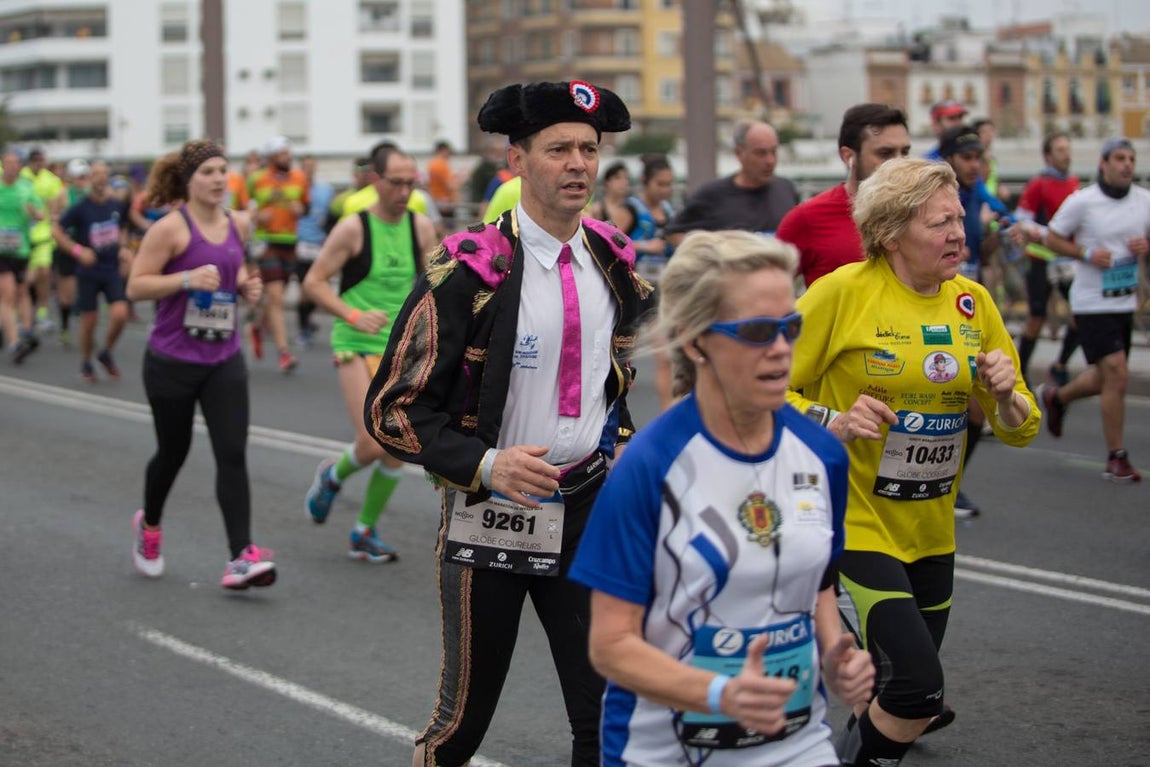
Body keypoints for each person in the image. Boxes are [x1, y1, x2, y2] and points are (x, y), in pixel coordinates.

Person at [364, 79, 650, 767]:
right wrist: (489, 465)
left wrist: (620, 446)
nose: (578, 163)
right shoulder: (470, 269)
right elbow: (392, 409)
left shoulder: (615, 262)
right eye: (558, 149)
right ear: (517, 160)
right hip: (490, 513)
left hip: (587, 510)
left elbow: (614, 378)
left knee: (608, 717)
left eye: (588, 148)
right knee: (460, 727)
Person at [568, 230, 874, 766]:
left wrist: (835, 654)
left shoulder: (822, 454)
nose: (781, 349)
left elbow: (819, 585)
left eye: (790, 327)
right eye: (756, 331)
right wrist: (719, 694)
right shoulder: (649, 468)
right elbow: (610, 646)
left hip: (797, 744)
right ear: (695, 342)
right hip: (664, 753)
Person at [786, 157, 1039, 766]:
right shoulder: (841, 294)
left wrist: (1006, 395)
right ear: (892, 232)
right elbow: (760, 392)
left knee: (897, 698)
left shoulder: (973, 303)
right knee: (918, 689)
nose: (958, 235)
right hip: (855, 522)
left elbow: (1022, 428)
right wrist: (834, 421)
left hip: (931, 528)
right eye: (939, 223)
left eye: (958, 219)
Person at [125, 139, 275, 589]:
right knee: (173, 453)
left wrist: (247, 286)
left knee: (231, 452)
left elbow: (237, 270)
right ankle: (150, 525)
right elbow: (136, 286)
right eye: (208, 171)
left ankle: (240, 556)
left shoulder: (238, 223)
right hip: (172, 360)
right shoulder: (170, 229)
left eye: (222, 170)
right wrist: (185, 278)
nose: (217, 179)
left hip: (223, 357)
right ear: (189, 179)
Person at [302, 146, 436, 561]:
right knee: (372, 441)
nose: (404, 191)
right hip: (355, 343)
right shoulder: (353, 228)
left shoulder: (420, 227)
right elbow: (314, 282)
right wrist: (353, 315)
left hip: (401, 349)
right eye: (396, 182)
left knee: (398, 444)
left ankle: (363, 531)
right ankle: (333, 474)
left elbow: (437, 286)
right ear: (375, 180)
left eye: (411, 183)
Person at [1024, 137, 1148, 483]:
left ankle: (1057, 398)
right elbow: (1052, 238)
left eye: (1131, 158)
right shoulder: (1083, 201)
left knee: (1106, 377)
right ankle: (1117, 457)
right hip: (1092, 302)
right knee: (1117, 372)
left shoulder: (1144, 200)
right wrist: (1086, 254)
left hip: (1124, 301)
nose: (1127, 164)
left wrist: (1146, 245)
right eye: (1119, 158)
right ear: (1103, 164)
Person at [938, 124, 1015, 518]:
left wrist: (1006, 229)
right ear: (948, 159)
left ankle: (949, 486)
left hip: (966, 307)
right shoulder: (934, 193)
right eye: (966, 158)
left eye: (978, 158)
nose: (974, 165)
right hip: (930, 308)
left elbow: (1002, 214)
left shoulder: (975, 191)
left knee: (977, 410)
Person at [777, 103, 911, 289]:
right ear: (848, 156)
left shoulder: (922, 213)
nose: (899, 163)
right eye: (885, 153)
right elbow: (766, 287)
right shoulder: (807, 218)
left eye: (905, 152)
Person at [52, 161, 132, 383]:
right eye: (96, 174)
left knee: (120, 313)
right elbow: (56, 231)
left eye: (105, 173)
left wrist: (123, 248)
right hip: (88, 271)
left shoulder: (115, 205)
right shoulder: (80, 207)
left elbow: (123, 227)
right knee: (89, 321)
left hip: (111, 269)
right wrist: (78, 251)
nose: (101, 177)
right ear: (89, 179)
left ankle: (106, 352)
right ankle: (86, 362)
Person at [1011, 132, 1081, 387]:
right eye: (1060, 150)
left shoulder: (1074, 182)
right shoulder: (1038, 184)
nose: (1066, 154)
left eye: (1068, 149)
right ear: (1048, 156)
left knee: (1081, 314)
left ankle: (1060, 365)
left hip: (1067, 261)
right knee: (1037, 318)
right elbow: (1021, 219)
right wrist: (1047, 235)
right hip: (1040, 259)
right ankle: (1020, 372)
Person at [666, 120, 798, 243]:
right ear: (739, 153)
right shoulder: (712, 194)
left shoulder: (786, 189)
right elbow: (673, 233)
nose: (770, 161)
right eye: (760, 153)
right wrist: (713, 251)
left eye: (774, 152)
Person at [247, 135, 309, 373]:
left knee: (276, 295)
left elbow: (305, 206)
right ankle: (284, 353)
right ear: (272, 157)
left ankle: (256, 326)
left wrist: (300, 209)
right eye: (283, 154)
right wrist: (256, 216)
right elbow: (243, 207)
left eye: (288, 153)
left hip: (290, 242)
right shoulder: (256, 179)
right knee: (275, 297)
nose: (288, 157)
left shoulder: (299, 178)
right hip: (266, 242)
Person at [1, 150, 45, 363]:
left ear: (20, 166)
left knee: (22, 291)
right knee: (7, 294)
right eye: (8, 163)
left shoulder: (26, 188)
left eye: (15, 163)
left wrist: (33, 213)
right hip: (1, 251)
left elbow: (41, 214)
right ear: (2, 165)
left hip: (21, 249)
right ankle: (14, 342)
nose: (12, 166)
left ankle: (26, 331)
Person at [20, 148, 63, 334]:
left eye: (41, 160)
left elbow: (56, 205)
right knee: (25, 278)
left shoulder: (50, 180)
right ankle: (21, 313)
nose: (39, 164)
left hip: (43, 234)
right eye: (35, 160)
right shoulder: (20, 176)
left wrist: (54, 221)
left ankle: (42, 311)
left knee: (44, 271)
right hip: (22, 234)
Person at [294, 154, 333, 347]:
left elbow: (332, 215)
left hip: (320, 244)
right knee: (304, 290)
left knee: (318, 290)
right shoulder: (295, 190)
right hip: (300, 243)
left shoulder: (326, 190)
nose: (308, 170)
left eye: (311, 166)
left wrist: (328, 228)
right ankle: (304, 330)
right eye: (305, 167)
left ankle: (308, 321)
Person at [51, 159, 91, 348]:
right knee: (68, 296)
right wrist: (63, 218)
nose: (82, 181)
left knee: (87, 291)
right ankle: (65, 326)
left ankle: (86, 332)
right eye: (79, 177)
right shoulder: (63, 194)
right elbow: (52, 218)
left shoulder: (91, 194)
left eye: (85, 177)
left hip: (86, 245)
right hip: (67, 246)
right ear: (72, 178)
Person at [589, 160, 633, 227]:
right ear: (607, 182)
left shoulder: (633, 209)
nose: (623, 182)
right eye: (617, 178)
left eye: (626, 178)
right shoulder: (597, 210)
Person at [426, 140, 460, 222]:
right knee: (448, 226)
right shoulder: (442, 164)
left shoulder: (431, 164)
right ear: (444, 150)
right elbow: (450, 185)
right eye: (449, 151)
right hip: (445, 202)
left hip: (435, 199)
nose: (450, 155)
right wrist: (459, 180)